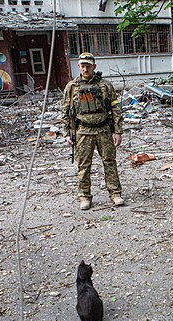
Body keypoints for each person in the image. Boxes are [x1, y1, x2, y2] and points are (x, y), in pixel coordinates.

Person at [61, 52, 124, 210]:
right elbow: (66, 110)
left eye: (88, 66)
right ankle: (84, 196)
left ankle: (115, 194)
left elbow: (115, 108)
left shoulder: (105, 85)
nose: (85, 68)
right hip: (83, 131)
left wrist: (117, 130)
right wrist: (66, 132)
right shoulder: (72, 87)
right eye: (82, 65)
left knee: (110, 162)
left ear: (94, 67)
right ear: (79, 66)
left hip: (103, 129)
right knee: (83, 166)